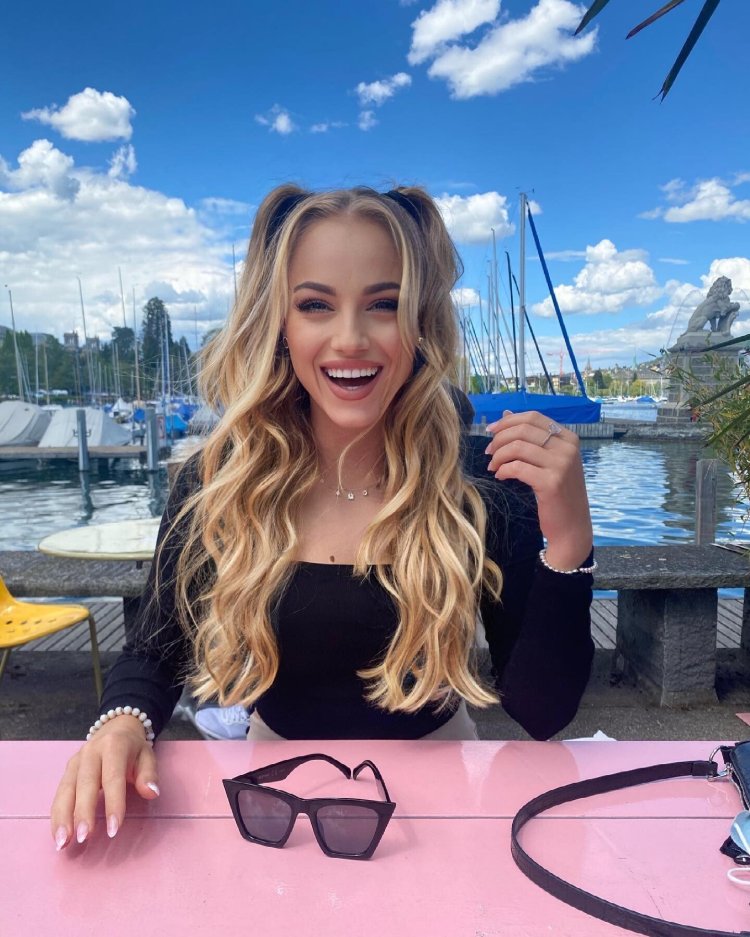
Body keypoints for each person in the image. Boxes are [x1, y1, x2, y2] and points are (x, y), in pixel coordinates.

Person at [50, 184, 595, 850]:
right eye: (315, 305)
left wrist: (570, 540)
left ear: (420, 321)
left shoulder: (481, 482)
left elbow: (542, 711)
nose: (350, 339)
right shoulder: (218, 480)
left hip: (440, 805)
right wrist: (121, 724)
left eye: (384, 304)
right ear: (279, 323)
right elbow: (155, 651)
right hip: (272, 801)